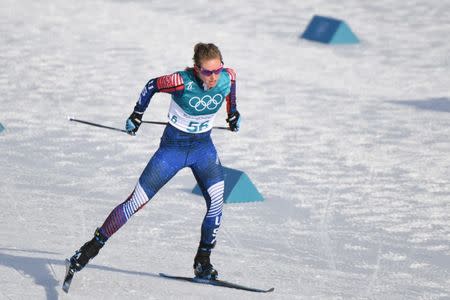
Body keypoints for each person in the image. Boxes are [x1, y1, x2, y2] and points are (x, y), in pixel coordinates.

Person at [67, 42, 240, 280]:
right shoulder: (180, 81)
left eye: (216, 70)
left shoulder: (227, 76)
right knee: (135, 201)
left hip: (203, 150)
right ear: (196, 69)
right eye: (207, 72)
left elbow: (230, 91)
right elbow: (152, 85)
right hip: (173, 150)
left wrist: (233, 114)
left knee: (217, 203)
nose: (213, 77)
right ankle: (87, 251)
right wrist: (137, 114)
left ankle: (203, 263)